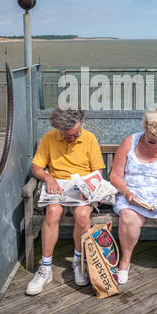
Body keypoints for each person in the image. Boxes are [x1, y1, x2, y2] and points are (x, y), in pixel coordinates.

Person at [25, 107, 105, 295]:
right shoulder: (49, 137)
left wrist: (89, 188)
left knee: (82, 215)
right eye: (68, 136)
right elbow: (36, 167)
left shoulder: (89, 138)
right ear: (59, 130)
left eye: (76, 133)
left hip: (82, 187)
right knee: (53, 213)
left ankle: (78, 261)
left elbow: (97, 171)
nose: (74, 138)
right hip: (57, 185)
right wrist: (48, 178)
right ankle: (45, 268)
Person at [110, 109, 157, 285]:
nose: (154, 146)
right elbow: (115, 176)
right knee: (129, 218)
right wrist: (127, 193)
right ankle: (125, 261)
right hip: (132, 195)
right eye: (151, 141)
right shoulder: (130, 142)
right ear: (144, 129)